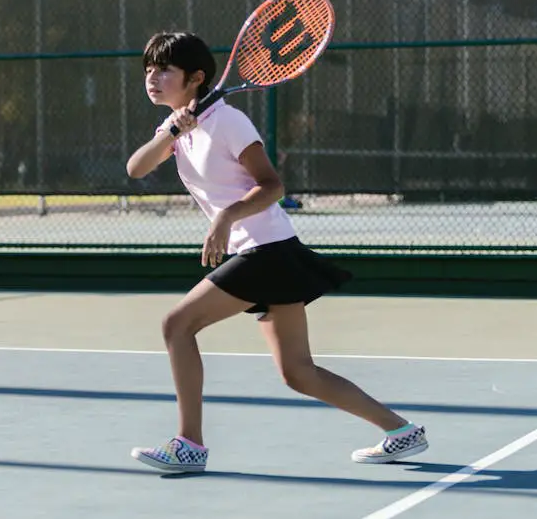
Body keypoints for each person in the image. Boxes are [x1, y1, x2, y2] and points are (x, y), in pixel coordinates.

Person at [124, 31, 428, 473]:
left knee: (177, 325)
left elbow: (273, 186)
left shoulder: (228, 123)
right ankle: (402, 431)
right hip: (266, 253)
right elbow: (136, 168)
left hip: (265, 250)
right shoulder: (179, 128)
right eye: (148, 69)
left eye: (164, 69)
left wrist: (226, 218)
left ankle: (189, 444)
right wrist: (171, 131)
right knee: (298, 373)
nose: (152, 77)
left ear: (196, 77)